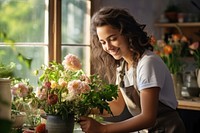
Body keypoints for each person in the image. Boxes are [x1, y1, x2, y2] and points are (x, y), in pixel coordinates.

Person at [79, 7, 186, 133]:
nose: (108, 47)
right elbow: (117, 106)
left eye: (112, 38)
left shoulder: (148, 63)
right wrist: (84, 108)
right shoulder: (123, 67)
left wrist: (103, 129)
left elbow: (148, 118)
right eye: (103, 42)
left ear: (127, 33)